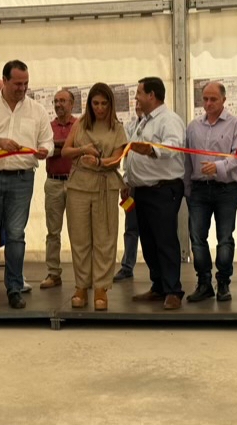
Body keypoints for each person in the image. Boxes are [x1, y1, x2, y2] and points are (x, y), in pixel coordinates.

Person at [0, 60, 53, 310]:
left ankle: (14, 288)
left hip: (22, 179)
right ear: (4, 80)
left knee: (16, 235)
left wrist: (46, 149)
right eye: (17, 83)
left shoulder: (37, 110)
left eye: (26, 83)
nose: (22, 88)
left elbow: (47, 139)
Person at [62, 83, 127, 310]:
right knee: (79, 239)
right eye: (95, 103)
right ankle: (81, 285)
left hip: (105, 185)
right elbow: (65, 152)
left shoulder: (117, 128)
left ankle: (101, 287)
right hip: (79, 185)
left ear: (110, 104)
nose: (99, 108)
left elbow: (118, 159)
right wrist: (83, 150)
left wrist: (100, 161)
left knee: (104, 239)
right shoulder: (80, 124)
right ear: (89, 104)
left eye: (104, 103)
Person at [125, 77, 186, 310]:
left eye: (140, 93)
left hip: (163, 189)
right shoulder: (143, 122)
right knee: (149, 241)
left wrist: (150, 150)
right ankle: (159, 286)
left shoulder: (168, 120)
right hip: (141, 190)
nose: (137, 97)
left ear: (151, 95)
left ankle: (173, 290)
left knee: (165, 240)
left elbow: (172, 147)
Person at [184, 82, 237, 302]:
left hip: (226, 189)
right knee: (197, 239)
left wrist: (218, 167)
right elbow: (187, 161)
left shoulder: (236, 125)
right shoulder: (192, 127)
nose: (208, 104)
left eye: (213, 99)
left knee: (225, 238)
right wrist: (188, 190)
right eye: (205, 99)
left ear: (224, 100)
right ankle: (203, 283)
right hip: (199, 190)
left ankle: (223, 283)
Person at [40, 89, 76, 290]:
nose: (58, 104)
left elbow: (78, 147)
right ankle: (53, 273)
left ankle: (83, 276)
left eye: (62, 101)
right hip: (53, 182)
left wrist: (58, 146)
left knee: (77, 232)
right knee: (53, 232)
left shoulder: (79, 125)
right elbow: (45, 150)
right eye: (55, 101)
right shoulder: (47, 126)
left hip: (74, 182)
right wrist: (66, 146)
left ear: (72, 104)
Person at [114, 100, 143, 282]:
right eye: (136, 103)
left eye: (141, 103)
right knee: (131, 228)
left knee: (154, 229)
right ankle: (127, 266)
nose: (138, 106)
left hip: (152, 186)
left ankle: (160, 269)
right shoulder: (130, 127)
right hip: (132, 185)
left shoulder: (160, 125)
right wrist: (124, 182)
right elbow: (126, 159)